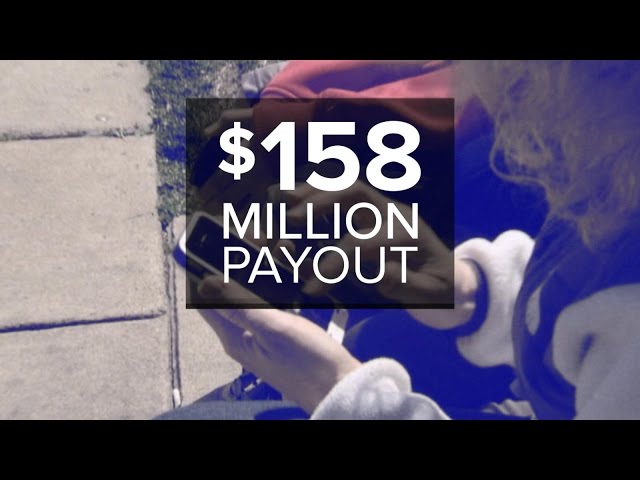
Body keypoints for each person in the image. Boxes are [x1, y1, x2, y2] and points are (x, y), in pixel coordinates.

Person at [164, 60, 640, 420]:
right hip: (533, 365)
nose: (496, 102)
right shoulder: (615, 181)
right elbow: (579, 291)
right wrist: (476, 291)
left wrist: (340, 392)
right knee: (378, 335)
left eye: (528, 80)